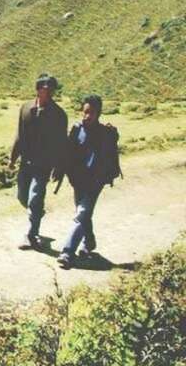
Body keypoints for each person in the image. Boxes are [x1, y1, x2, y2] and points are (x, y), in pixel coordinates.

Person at [54, 95, 121, 269]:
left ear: (98, 113)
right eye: (85, 112)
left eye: (91, 112)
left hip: (95, 182)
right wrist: (60, 171)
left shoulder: (106, 133)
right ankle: (89, 243)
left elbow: (110, 154)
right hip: (78, 180)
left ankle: (67, 253)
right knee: (83, 214)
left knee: (82, 214)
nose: (87, 116)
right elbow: (67, 153)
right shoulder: (77, 130)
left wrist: (114, 134)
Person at [10, 74, 69, 249]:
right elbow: (19, 135)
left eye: (52, 89)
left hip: (43, 164)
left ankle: (31, 234)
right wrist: (12, 158)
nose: (49, 92)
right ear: (38, 89)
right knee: (23, 197)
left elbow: (61, 143)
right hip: (25, 163)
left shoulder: (59, 115)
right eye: (45, 89)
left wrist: (59, 167)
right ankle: (36, 213)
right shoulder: (25, 108)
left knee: (35, 198)